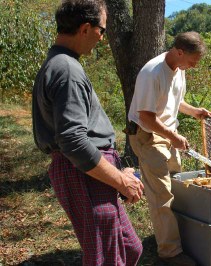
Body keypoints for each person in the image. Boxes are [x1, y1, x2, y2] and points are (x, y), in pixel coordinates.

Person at [32, 1, 144, 265]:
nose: (102, 38)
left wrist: (118, 171)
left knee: (129, 249)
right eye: (101, 30)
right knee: (106, 259)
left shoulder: (62, 64)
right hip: (84, 174)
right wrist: (120, 180)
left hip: (92, 172)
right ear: (85, 28)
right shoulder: (67, 70)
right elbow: (73, 140)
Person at [127, 31, 211, 266]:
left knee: (178, 187)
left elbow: (173, 101)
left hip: (168, 134)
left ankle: (180, 236)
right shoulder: (151, 72)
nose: (193, 66)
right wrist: (173, 136)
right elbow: (146, 116)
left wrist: (194, 111)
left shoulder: (180, 70)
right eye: (192, 61)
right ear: (179, 51)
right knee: (161, 195)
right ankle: (170, 252)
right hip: (147, 135)